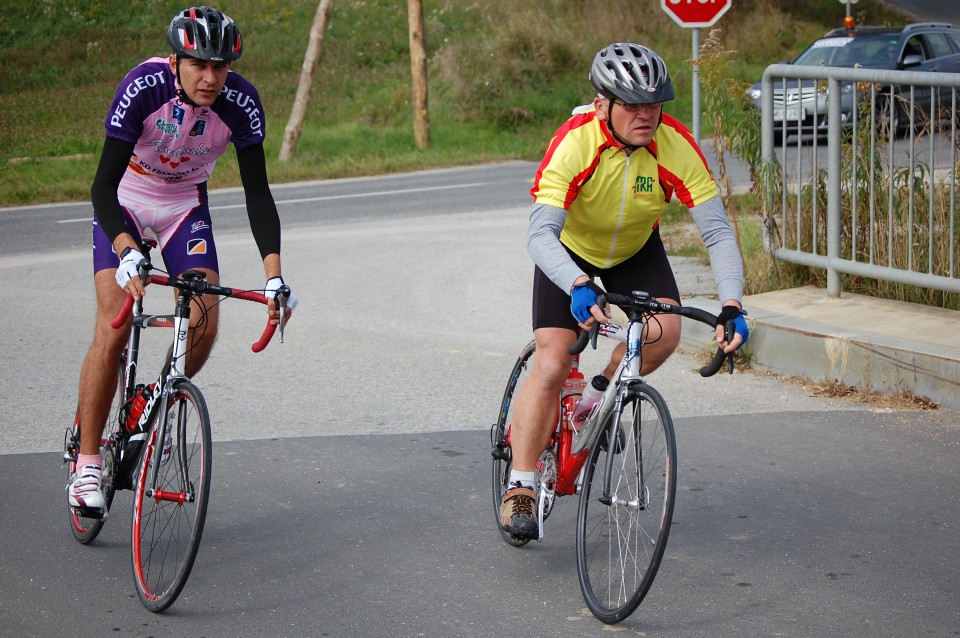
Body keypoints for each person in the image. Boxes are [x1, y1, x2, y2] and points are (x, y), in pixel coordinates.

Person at [498, 43, 749, 539]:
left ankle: (599, 391)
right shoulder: (576, 142)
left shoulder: (674, 145)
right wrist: (575, 282)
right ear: (602, 105)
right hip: (570, 252)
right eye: (631, 105)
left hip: (635, 249)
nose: (645, 116)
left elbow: (717, 232)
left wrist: (732, 303)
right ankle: (521, 482)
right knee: (550, 363)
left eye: (654, 105)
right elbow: (539, 233)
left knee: (665, 332)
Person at [67, 6, 297, 513]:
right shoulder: (143, 87)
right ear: (176, 61)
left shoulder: (241, 102)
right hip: (127, 196)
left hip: (183, 204)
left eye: (221, 66)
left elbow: (258, 195)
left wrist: (275, 277)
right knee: (114, 325)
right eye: (199, 65)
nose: (211, 77)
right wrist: (126, 251)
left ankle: (151, 398)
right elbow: (101, 186)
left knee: (205, 322)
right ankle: (87, 464)